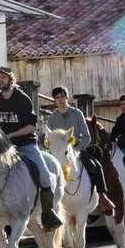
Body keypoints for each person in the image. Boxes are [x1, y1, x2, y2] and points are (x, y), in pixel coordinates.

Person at [0, 67, 63, 229]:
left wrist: (11, 136)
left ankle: (48, 213)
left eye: (4, 77)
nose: (1, 80)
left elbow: (31, 127)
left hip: (26, 144)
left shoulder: (22, 99)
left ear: (11, 79)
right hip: (4, 147)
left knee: (45, 175)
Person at [45, 86, 114, 215]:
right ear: (55, 100)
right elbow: (48, 140)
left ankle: (103, 197)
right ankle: (46, 205)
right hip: (58, 154)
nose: (60, 100)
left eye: (62, 97)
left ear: (67, 97)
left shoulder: (77, 113)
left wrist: (76, 149)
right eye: (57, 98)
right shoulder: (51, 119)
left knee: (96, 165)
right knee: (43, 171)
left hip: (77, 149)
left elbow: (87, 137)